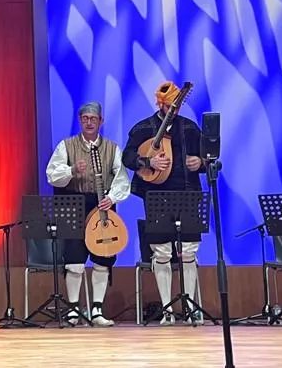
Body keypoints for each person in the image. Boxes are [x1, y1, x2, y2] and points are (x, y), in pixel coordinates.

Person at [122, 81, 206, 323]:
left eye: (176, 106)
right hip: (156, 195)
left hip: (188, 193)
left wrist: (199, 163)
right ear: (160, 103)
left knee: (189, 250)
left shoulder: (190, 128)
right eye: (168, 105)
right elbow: (127, 157)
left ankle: (190, 306)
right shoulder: (143, 128)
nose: (173, 110)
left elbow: (208, 157)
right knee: (161, 251)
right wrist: (148, 163)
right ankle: (168, 310)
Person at [45, 101, 131, 326]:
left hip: (103, 204)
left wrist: (111, 198)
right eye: (85, 119)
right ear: (80, 121)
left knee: (103, 258)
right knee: (74, 261)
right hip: (74, 204)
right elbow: (52, 175)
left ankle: (97, 310)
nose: (89, 122)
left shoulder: (112, 148)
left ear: (101, 121)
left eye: (93, 119)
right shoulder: (67, 146)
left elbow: (122, 179)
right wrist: (72, 170)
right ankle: (74, 309)